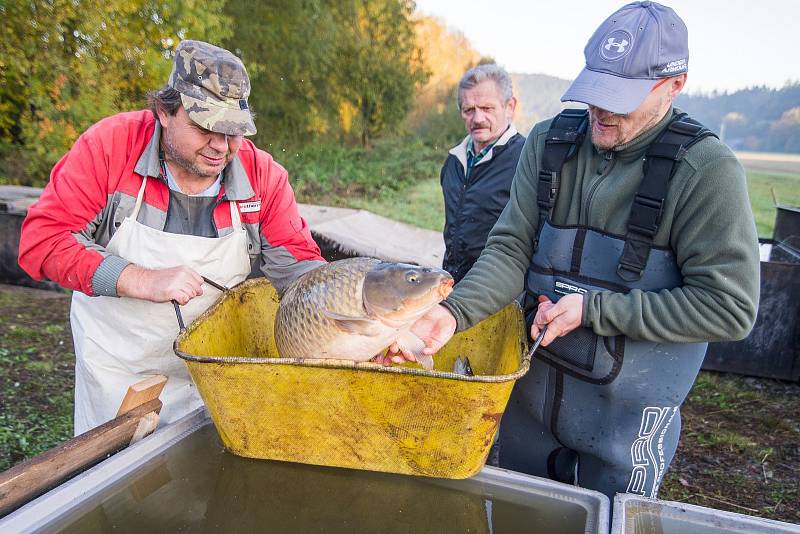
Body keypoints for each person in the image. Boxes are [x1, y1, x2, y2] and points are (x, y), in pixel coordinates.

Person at [383, 1, 760, 500]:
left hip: (627, 418)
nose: (601, 110)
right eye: (595, 91)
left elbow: (730, 308)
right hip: (530, 405)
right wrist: (450, 316)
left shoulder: (706, 171)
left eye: (621, 97)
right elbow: (510, 248)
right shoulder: (550, 143)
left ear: (674, 85)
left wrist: (597, 309)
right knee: (516, 512)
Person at [18, 40, 325, 435]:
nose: (221, 146)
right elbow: (42, 240)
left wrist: (367, 315)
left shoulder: (261, 175)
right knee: (117, 485)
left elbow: (302, 270)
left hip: (216, 378)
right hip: (119, 374)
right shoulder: (110, 148)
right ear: (164, 111)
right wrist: (138, 278)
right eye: (205, 126)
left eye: (233, 131)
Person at [440, 64, 525, 283]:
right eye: (469, 110)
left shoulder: (527, 160)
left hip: (497, 291)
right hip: (452, 285)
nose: (477, 119)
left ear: (509, 106)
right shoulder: (453, 162)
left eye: (487, 108)